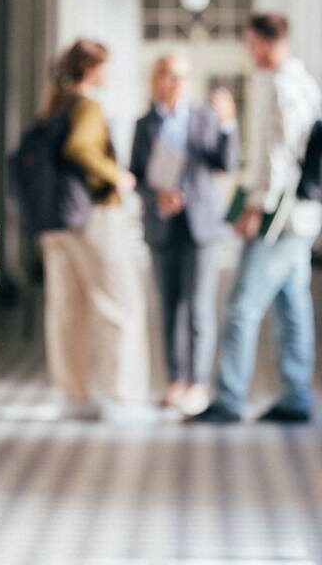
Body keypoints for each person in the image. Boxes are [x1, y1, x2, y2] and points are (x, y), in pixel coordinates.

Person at [192, 13, 321, 424]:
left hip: (279, 217)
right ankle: (296, 395)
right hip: (303, 215)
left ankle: (229, 399)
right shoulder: (306, 84)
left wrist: (255, 209)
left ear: (266, 43)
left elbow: (278, 157)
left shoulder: (281, 86)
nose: (250, 53)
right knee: (292, 304)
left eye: (251, 44)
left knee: (241, 307)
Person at [38, 39, 152, 422]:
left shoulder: (55, 104)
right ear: (92, 68)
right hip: (92, 216)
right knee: (120, 305)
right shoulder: (87, 105)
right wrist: (115, 175)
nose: (110, 73)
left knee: (67, 309)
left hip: (56, 219)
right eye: (106, 66)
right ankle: (124, 397)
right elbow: (80, 147)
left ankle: (75, 397)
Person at [130, 55, 239, 416]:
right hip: (163, 225)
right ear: (155, 79)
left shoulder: (205, 119)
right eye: (166, 75)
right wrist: (156, 194)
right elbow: (137, 175)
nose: (174, 82)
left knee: (198, 307)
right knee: (169, 307)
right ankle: (175, 380)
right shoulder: (145, 124)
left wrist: (228, 124)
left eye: (180, 77)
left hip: (201, 226)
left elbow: (226, 163)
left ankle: (197, 382)